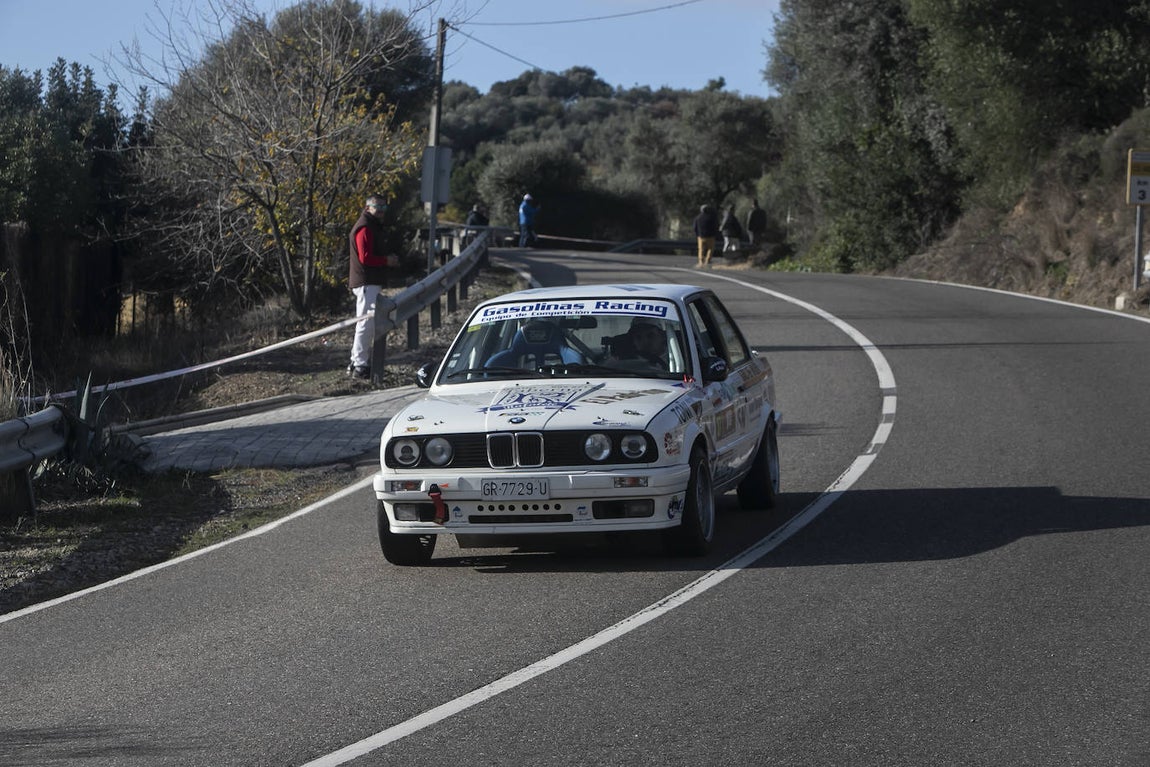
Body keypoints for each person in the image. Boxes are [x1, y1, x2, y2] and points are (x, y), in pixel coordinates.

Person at [347, 194, 392, 380]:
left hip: (369, 281)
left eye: (383, 207)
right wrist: (386, 261)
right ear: (367, 208)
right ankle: (360, 365)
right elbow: (365, 258)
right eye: (377, 206)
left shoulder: (371, 225)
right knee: (365, 324)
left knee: (367, 324)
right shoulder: (365, 227)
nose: (381, 210)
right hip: (366, 281)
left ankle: (356, 362)